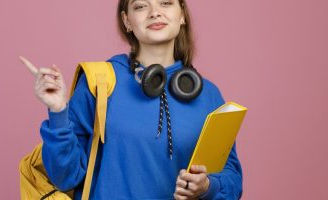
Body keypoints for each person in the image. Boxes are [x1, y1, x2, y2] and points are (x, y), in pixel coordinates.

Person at [21, 0, 243, 199]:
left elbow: (232, 179)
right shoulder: (99, 83)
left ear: (182, 14)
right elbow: (65, 177)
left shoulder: (209, 95)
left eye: (166, 3)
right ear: (127, 21)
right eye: (140, 6)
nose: (155, 12)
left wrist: (207, 187)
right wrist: (59, 111)